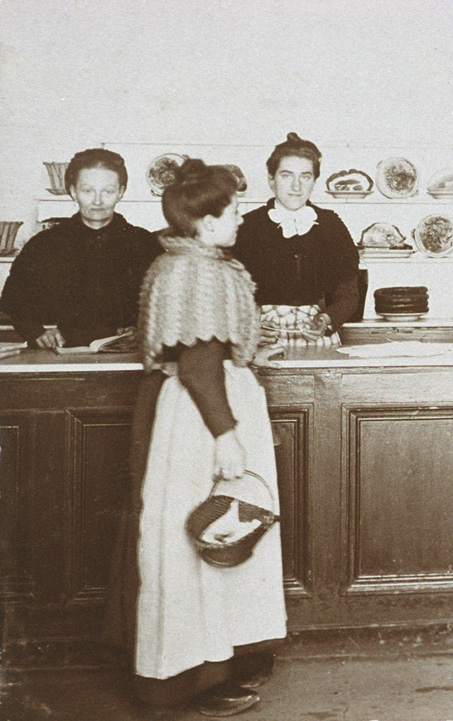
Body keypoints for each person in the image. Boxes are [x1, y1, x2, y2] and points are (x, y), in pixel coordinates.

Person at [104, 160, 286, 716]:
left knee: (199, 539)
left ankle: (208, 667)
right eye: (231, 211)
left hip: (194, 411)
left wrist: (246, 358)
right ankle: (185, 682)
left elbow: (202, 355)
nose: (238, 220)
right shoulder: (200, 273)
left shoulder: (181, 262)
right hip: (202, 419)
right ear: (206, 223)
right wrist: (226, 435)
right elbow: (198, 369)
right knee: (197, 541)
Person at [0, 148, 159, 348]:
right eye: (87, 190)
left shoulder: (144, 243)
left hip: (129, 356)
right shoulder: (44, 244)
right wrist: (36, 332)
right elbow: (15, 303)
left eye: (108, 191)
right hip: (58, 357)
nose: (98, 200)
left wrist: (142, 329)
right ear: (73, 192)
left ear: (120, 192)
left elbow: (164, 305)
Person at [234, 133, 360, 344]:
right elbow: (221, 294)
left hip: (316, 336)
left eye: (305, 176)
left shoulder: (331, 225)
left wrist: (327, 318)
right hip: (257, 338)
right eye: (286, 175)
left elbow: (349, 295)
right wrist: (242, 327)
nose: (296, 186)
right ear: (271, 180)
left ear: (314, 180)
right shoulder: (246, 226)